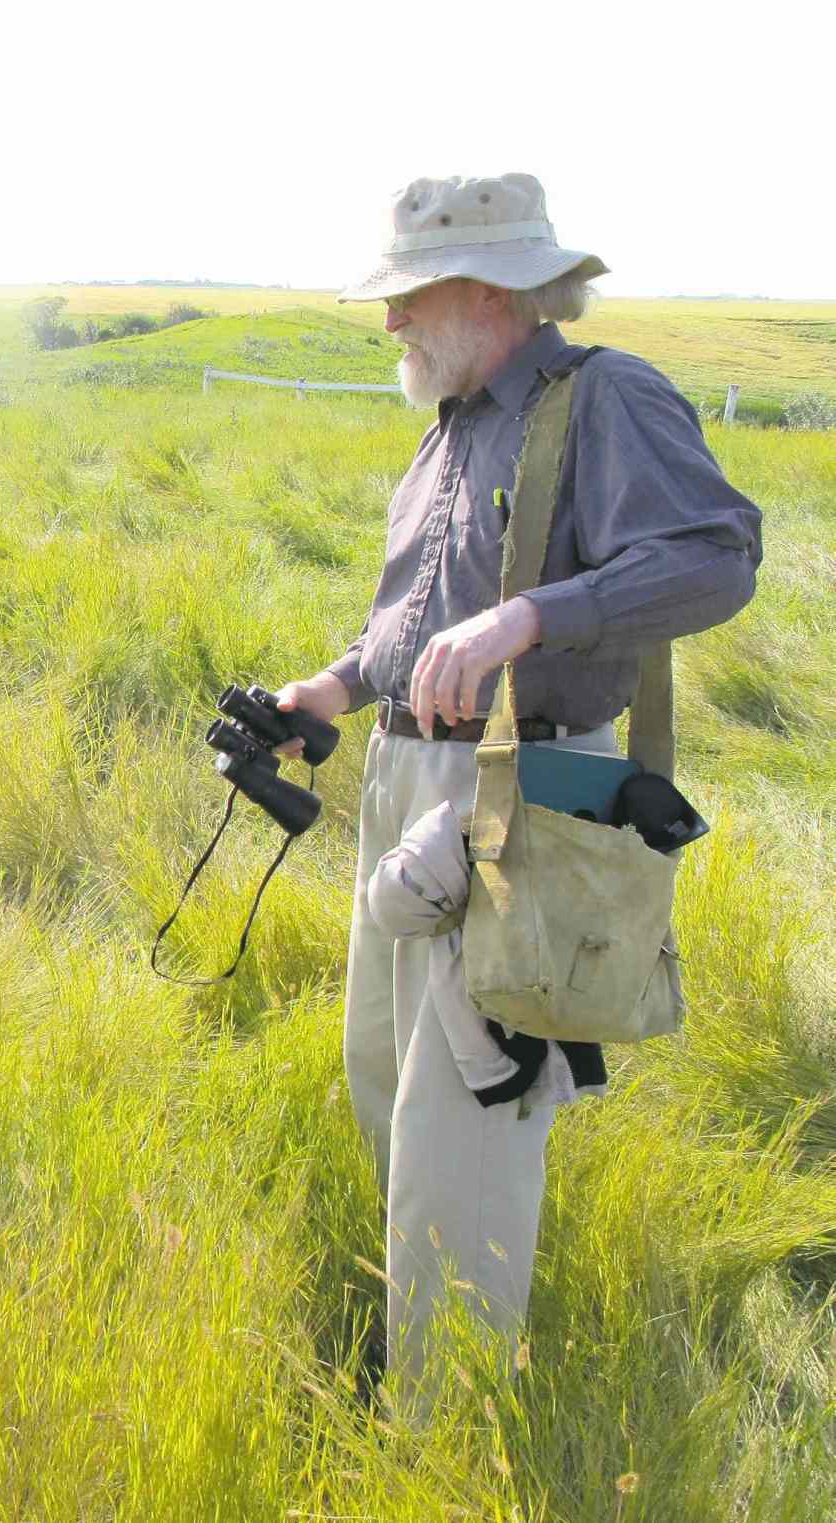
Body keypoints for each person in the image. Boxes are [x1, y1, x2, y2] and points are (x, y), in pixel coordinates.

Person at [275, 172, 763, 1419]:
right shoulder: (449, 422)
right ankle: (420, 1342)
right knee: (383, 1077)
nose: (390, 327)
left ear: (489, 290)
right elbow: (421, 617)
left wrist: (536, 614)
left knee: (468, 1122)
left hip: (520, 792)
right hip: (408, 782)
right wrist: (335, 685)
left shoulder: (609, 400)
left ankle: (447, 1430)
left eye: (410, 299)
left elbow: (715, 555)